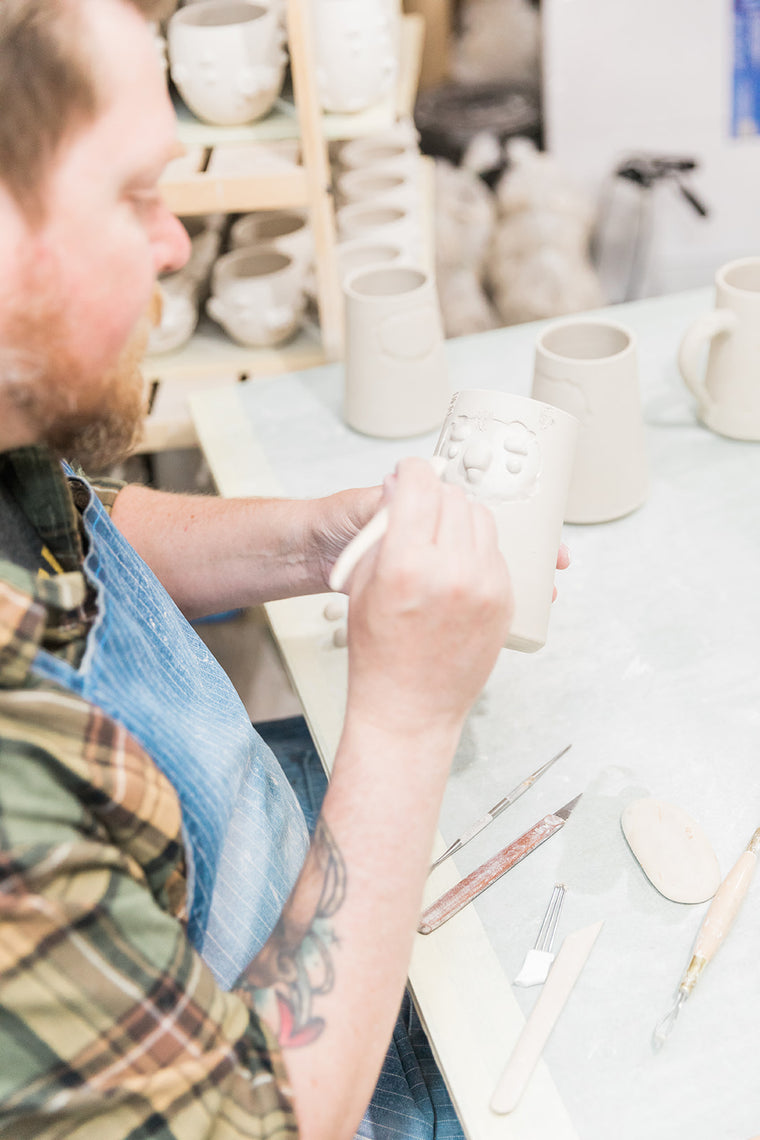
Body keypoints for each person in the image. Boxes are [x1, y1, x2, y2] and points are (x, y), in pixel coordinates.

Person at [0, 2, 560, 1138]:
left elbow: (76, 520)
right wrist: (401, 720)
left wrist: (313, 541)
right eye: (134, 195)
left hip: (252, 884)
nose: (173, 243)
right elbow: (250, 1124)